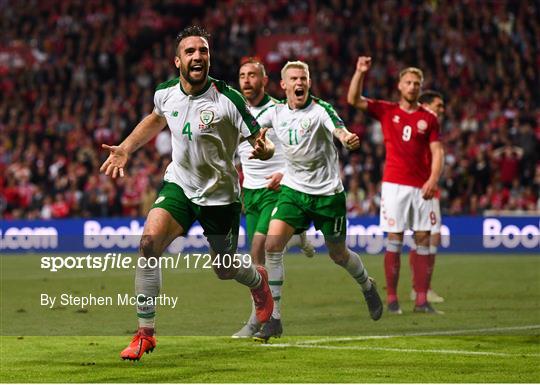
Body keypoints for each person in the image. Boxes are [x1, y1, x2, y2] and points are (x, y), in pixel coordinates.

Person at [100, 26, 275, 361]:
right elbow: (155, 119)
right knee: (149, 243)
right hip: (180, 185)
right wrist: (126, 147)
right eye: (191, 51)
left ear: (209, 58)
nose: (198, 56)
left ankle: (257, 282)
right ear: (177, 61)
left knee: (223, 268)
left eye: (203, 50)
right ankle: (145, 334)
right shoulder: (165, 93)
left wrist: (264, 151)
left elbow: (259, 142)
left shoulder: (228, 99)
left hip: (220, 196)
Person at [253, 60, 383, 341]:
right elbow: (251, 128)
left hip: (327, 195)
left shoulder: (320, 110)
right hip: (293, 191)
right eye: (294, 79)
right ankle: (274, 319)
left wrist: (347, 138)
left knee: (338, 254)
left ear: (309, 83)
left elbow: (338, 128)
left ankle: (367, 286)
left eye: (304, 78)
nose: (299, 83)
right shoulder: (274, 112)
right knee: (272, 245)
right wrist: (258, 140)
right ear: (284, 85)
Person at [347, 56, 444, 314]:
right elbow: (354, 100)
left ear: (421, 87)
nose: (412, 86)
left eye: (416, 83)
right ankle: (392, 299)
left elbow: (437, 151)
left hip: (422, 186)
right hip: (394, 185)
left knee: (423, 238)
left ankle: (421, 300)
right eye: (408, 82)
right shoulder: (387, 110)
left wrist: (433, 179)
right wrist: (360, 72)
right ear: (400, 86)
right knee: (395, 238)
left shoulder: (430, 118)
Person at [232, 59, 315, 338]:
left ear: (264, 80)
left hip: (276, 189)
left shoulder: (278, 111)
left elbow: (297, 147)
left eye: (252, 75)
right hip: (251, 193)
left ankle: (266, 319)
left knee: (259, 248)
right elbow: (234, 153)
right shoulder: (235, 111)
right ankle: (297, 238)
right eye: (242, 75)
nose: (246, 80)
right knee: (258, 258)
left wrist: (286, 174)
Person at [409, 90, 446, 304]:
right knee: (429, 237)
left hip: (426, 188)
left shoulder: (430, 128)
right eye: (438, 105)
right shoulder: (421, 126)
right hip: (423, 190)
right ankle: (422, 288)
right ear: (426, 105)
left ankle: (420, 287)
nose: (442, 110)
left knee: (423, 238)